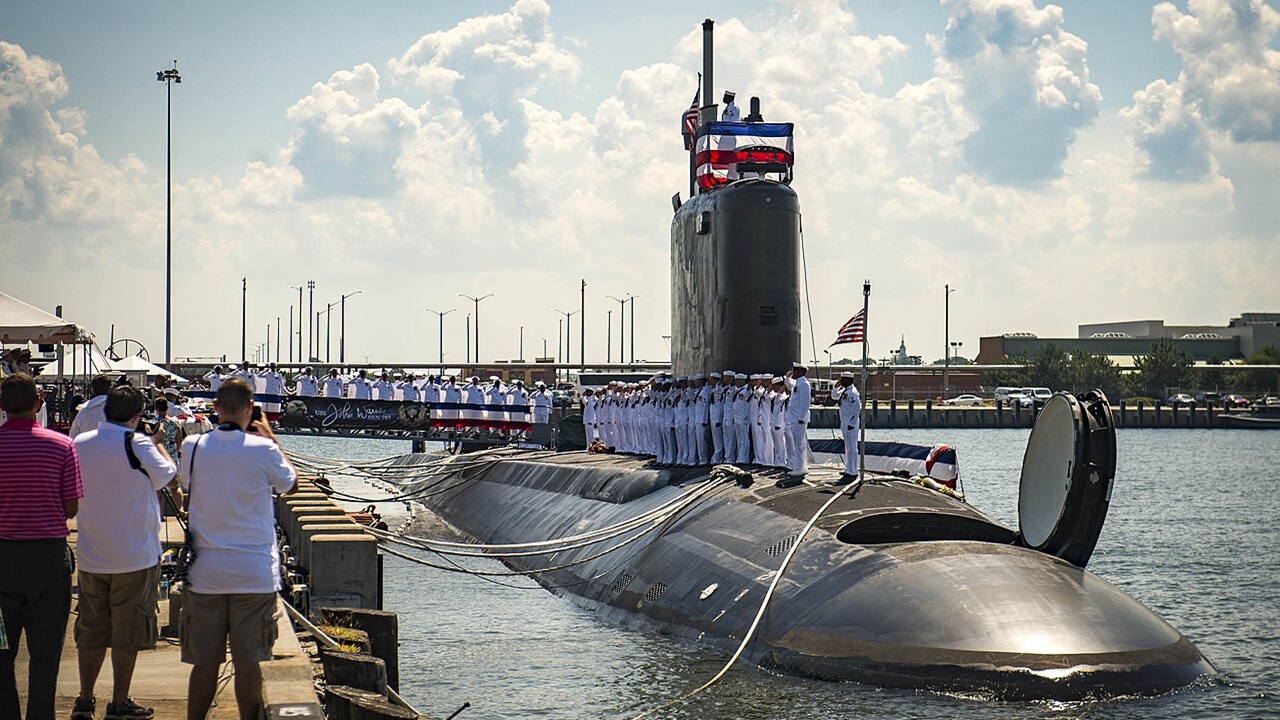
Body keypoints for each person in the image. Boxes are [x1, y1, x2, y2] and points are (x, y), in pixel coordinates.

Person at [178, 378, 297, 720]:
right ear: (250, 409)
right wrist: (270, 436)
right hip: (253, 573)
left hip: (205, 573)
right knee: (249, 664)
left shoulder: (193, 447)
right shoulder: (264, 450)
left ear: (215, 408)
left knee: (203, 664)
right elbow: (291, 485)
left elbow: (186, 485)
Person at [71, 385, 179, 720]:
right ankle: (119, 702)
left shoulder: (79, 443)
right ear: (135, 415)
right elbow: (169, 475)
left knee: (91, 631)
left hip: (91, 554)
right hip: (134, 555)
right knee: (127, 633)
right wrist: (158, 441)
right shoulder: (139, 443)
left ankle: (84, 699)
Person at [0, 373, 82, 720]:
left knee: (2, 653)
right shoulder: (62, 446)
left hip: (2, 560)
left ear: (1, 406)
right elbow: (71, 507)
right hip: (48, 559)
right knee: (46, 655)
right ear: (38, 403)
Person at [832, 372, 862, 480]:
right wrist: (836, 388)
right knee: (848, 447)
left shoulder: (853, 393)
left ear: (848, 380)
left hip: (850, 422)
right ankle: (848, 468)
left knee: (852, 447)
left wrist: (852, 423)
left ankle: (853, 470)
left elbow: (857, 409)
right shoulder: (844, 391)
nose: (840, 380)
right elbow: (834, 396)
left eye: (842, 379)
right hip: (845, 421)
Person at [785, 363, 812, 475]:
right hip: (794, 417)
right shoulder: (798, 383)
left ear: (800, 372)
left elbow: (806, 402)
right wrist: (787, 378)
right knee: (796, 444)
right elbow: (789, 385)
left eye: (795, 371)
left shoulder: (804, 384)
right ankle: (797, 467)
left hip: (799, 418)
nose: (793, 372)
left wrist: (802, 417)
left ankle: (800, 468)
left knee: (799, 444)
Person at [70, 374, 114, 438]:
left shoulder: (83, 412)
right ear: (110, 388)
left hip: (86, 447)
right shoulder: (117, 409)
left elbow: (73, 437)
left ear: (92, 389)